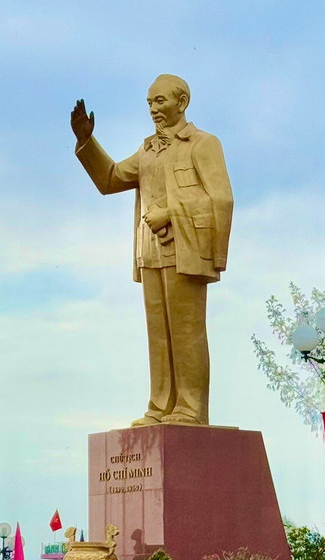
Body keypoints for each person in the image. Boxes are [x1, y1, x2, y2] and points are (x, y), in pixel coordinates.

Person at [71, 74, 233, 427]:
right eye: (149, 103)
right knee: (158, 336)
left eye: (160, 101)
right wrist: (87, 141)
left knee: (187, 332)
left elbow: (220, 198)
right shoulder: (147, 150)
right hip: (150, 254)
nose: (153, 110)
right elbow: (111, 178)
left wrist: (172, 213)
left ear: (182, 102)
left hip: (185, 249)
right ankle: (161, 406)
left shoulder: (202, 144)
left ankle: (190, 408)